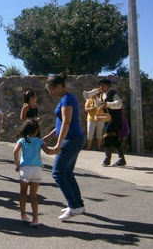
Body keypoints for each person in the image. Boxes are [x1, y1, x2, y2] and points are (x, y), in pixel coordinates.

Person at [42, 75, 86, 221]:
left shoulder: (67, 99)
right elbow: (61, 122)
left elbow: (67, 122)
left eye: (51, 89)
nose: (50, 92)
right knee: (67, 173)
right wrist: (50, 135)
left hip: (71, 139)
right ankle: (77, 205)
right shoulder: (66, 99)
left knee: (58, 173)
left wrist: (58, 144)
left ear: (59, 86)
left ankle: (74, 207)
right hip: (73, 139)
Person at [14, 119, 60, 226]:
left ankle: (23, 215)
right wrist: (57, 149)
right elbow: (48, 151)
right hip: (37, 169)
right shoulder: (40, 142)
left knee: (23, 193)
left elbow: (15, 151)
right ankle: (35, 219)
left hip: (25, 169)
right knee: (34, 196)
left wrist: (17, 165)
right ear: (36, 131)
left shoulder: (22, 141)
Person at [97, 79, 127, 167]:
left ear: (108, 86)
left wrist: (108, 104)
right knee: (114, 138)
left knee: (106, 136)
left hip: (115, 118)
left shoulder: (113, 93)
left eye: (103, 85)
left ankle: (107, 159)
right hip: (108, 118)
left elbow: (119, 104)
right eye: (100, 85)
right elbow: (99, 106)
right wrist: (95, 98)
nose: (101, 87)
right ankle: (122, 159)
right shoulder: (102, 95)